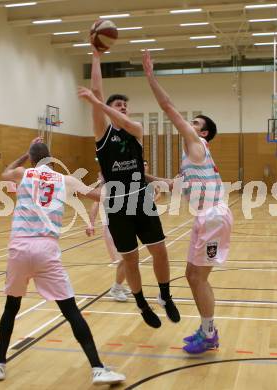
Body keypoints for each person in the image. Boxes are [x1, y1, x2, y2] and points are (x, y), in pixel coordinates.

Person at [0, 137, 125, 385]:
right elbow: (99, 197)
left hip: (19, 248)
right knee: (70, 310)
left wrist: (23, 153)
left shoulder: (23, 173)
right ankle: (97, 368)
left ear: (32, 159)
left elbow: (4, 172)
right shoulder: (66, 180)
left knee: (11, 306)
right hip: (46, 249)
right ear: (50, 159)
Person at [77, 48, 180, 329]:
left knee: (160, 251)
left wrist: (98, 103)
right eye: (117, 104)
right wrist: (96, 56)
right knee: (130, 259)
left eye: (124, 104)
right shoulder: (102, 134)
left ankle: (165, 295)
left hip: (141, 200)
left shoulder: (135, 128)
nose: (122, 107)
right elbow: (98, 91)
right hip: (117, 204)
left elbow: (115, 114)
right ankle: (141, 302)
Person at [143, 51, 233, 353]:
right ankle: (207, 330)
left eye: (194, 122)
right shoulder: (190, 158)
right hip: (206, 218)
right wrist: (146, 176)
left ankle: (210, 335)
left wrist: (150, 77)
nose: (188, 124)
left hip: (213, 217)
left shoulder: (197, 144)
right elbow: (172, 185)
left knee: (198, 277)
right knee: (192, 276)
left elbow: (168, 108)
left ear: (203, 132)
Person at [86, 171, 130, 302]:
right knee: (123, 259)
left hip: (120, 226)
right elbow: (94, 206)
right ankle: (116, 288)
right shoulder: (103, 189)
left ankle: (119, 286)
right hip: (110, 228)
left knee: (128, 258)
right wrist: (91, 224)